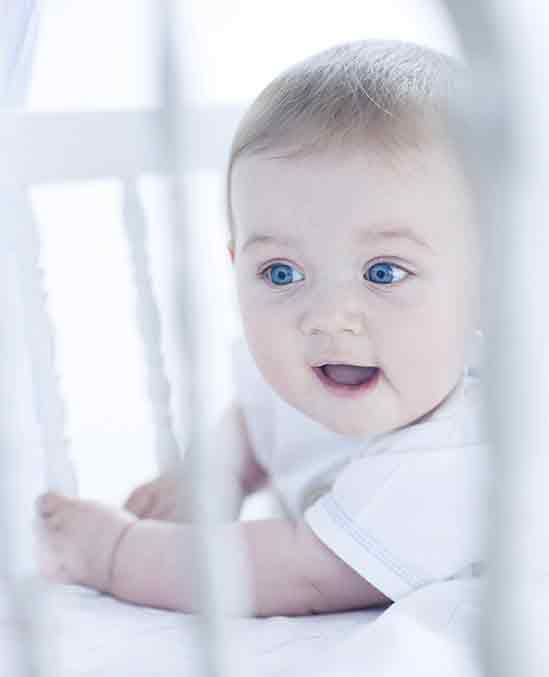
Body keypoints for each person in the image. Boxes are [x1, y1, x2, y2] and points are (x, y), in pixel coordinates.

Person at [36, 40, 489, 616]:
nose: (327, 317)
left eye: (383, 271)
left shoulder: (461, 447)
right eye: (280, 272)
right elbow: (256, 416)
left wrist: (117, 551)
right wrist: (216, 473)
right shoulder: (325, 362)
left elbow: (303, 573)